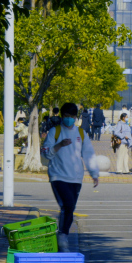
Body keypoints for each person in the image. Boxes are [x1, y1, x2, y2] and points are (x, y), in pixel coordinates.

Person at [41, 102, 98, 252]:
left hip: (76, 177)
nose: (69, 119)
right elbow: (46, 153)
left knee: (70, 208)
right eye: (66, 116)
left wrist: (94, 173)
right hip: (58, 176)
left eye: (72, 116)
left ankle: (62, 235)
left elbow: (88, 154)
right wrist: (58, 145)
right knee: (67, 205)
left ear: (76, 117)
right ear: (62, 116)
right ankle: (63, 238)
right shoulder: (55, 131)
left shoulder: (81, 133)